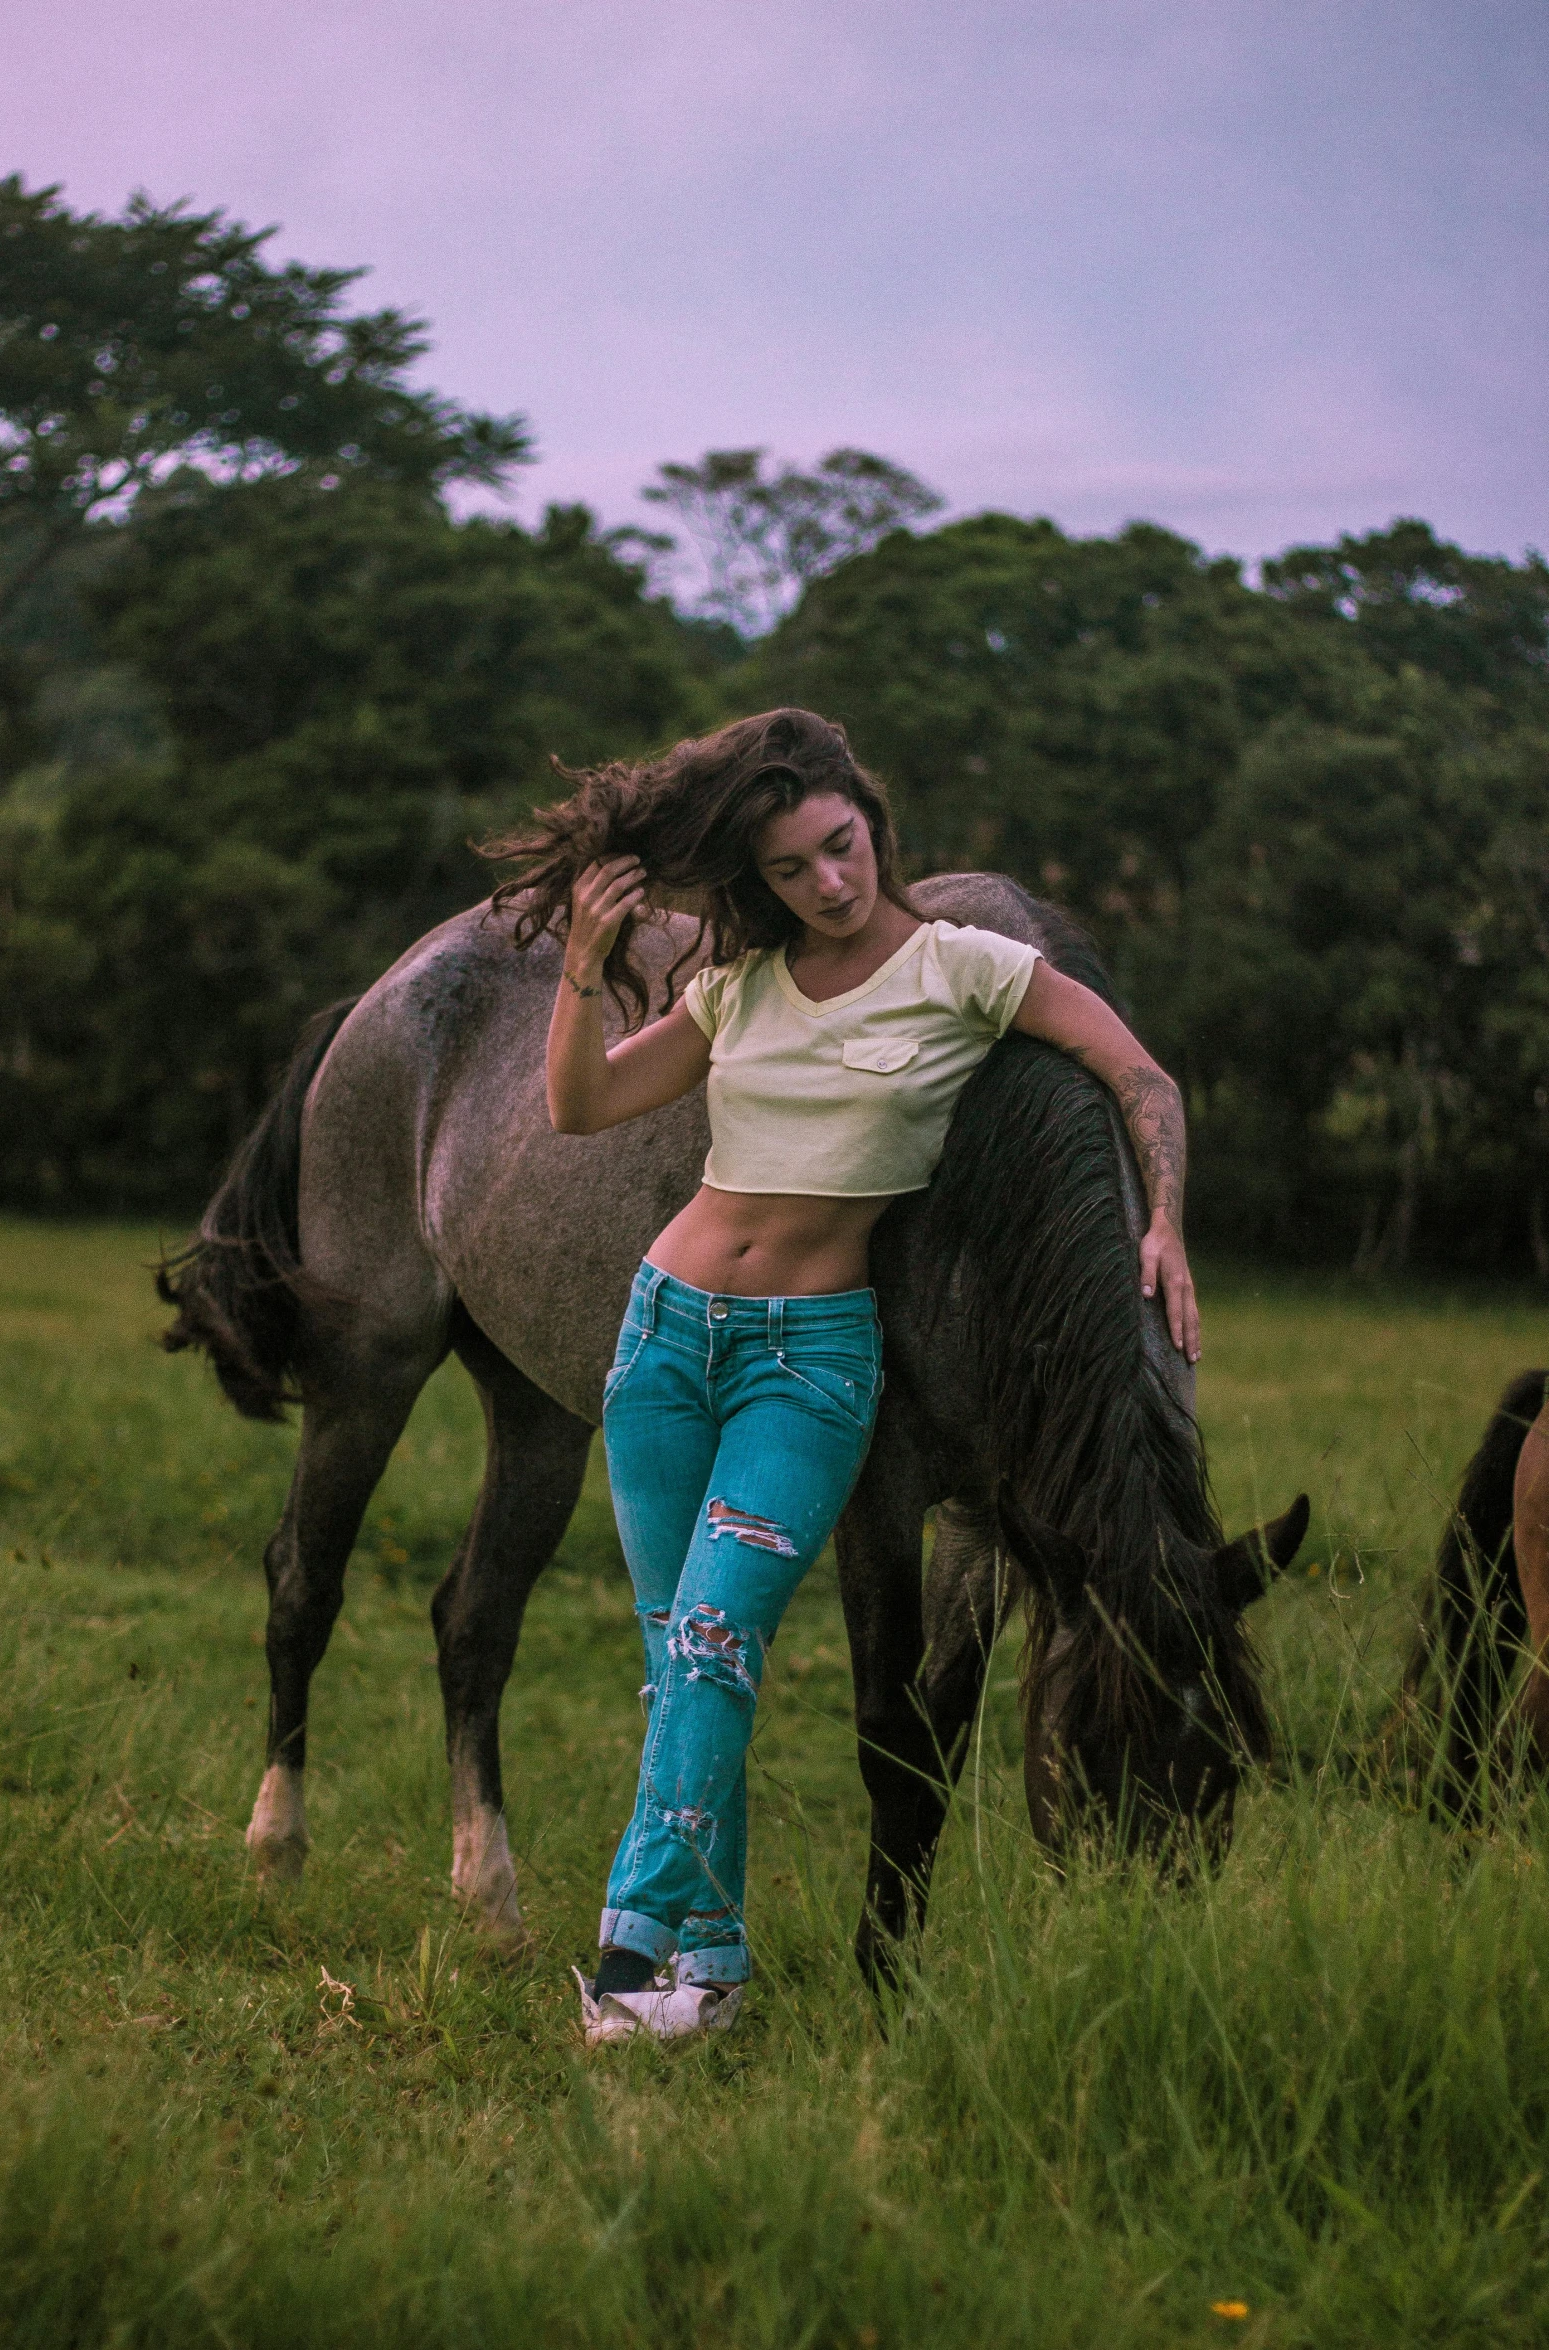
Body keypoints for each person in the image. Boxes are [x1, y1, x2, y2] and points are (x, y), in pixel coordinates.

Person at [493, 708, 1199, 2046]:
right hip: (662, 1340)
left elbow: (1135, 1072)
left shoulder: (965, 967)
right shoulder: (740, 989)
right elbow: (579, 1108)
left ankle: (633, 1961)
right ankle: (715, 1968)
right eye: (790, 870)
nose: (828, 880)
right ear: (758, 886)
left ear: (869, 819)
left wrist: (1160, 1218)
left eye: (838, 843)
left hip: (806, 1361)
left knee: (711, 1649)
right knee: (679, 1666)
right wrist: (583, 970)